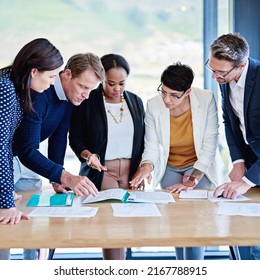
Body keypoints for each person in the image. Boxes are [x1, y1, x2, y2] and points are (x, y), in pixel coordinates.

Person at [12, 52, 105, 260]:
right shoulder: (40, 91)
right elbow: (27, 149)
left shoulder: (69, 99)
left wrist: (56, 178)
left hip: (29, 162)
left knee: (31, 224)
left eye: (91, 89)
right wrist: (66, 176)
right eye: (83, 86)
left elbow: (59, 136)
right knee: (6, 223)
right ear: (67, 74)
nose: (86, 95)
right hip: (10, 159)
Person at [130, 62, 222, 260]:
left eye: (174, 95)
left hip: (199, 167)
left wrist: (193, 178)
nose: (166, 99)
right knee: (176, 224)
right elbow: (152, 147)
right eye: (163, 92)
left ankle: (194, 268)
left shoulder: (206, 100)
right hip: (170, 167)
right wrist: (146, 168)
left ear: (187, 91)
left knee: (196, 225)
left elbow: (209, 144)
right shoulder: (153, 105)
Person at [69, 53, 145, 260]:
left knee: (129, 223)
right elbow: (75, 139)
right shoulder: (88, 101)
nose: (117, 89)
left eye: (122, 83)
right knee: (113, 224)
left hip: (131, 172)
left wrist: (143, 169)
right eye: (111, 83)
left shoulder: (136, 102)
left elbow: (145, 139)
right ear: (101, 79)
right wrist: (88, 155)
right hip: (102, 172)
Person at [0, 38, 63, 260]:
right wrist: (5, 202)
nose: (52, 82)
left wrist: (5, 193)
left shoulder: (14, 85)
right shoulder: (5, 89)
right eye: (51, 76)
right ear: (35, 71)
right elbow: (0, 148)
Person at [207, 33, 260, 260]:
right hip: (250, 160)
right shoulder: (224, 81)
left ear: (242, 65)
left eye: (221, 72)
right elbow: (230, 121)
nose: (214, 76)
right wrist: (238, 161)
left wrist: (246, 181)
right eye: (211, 68)